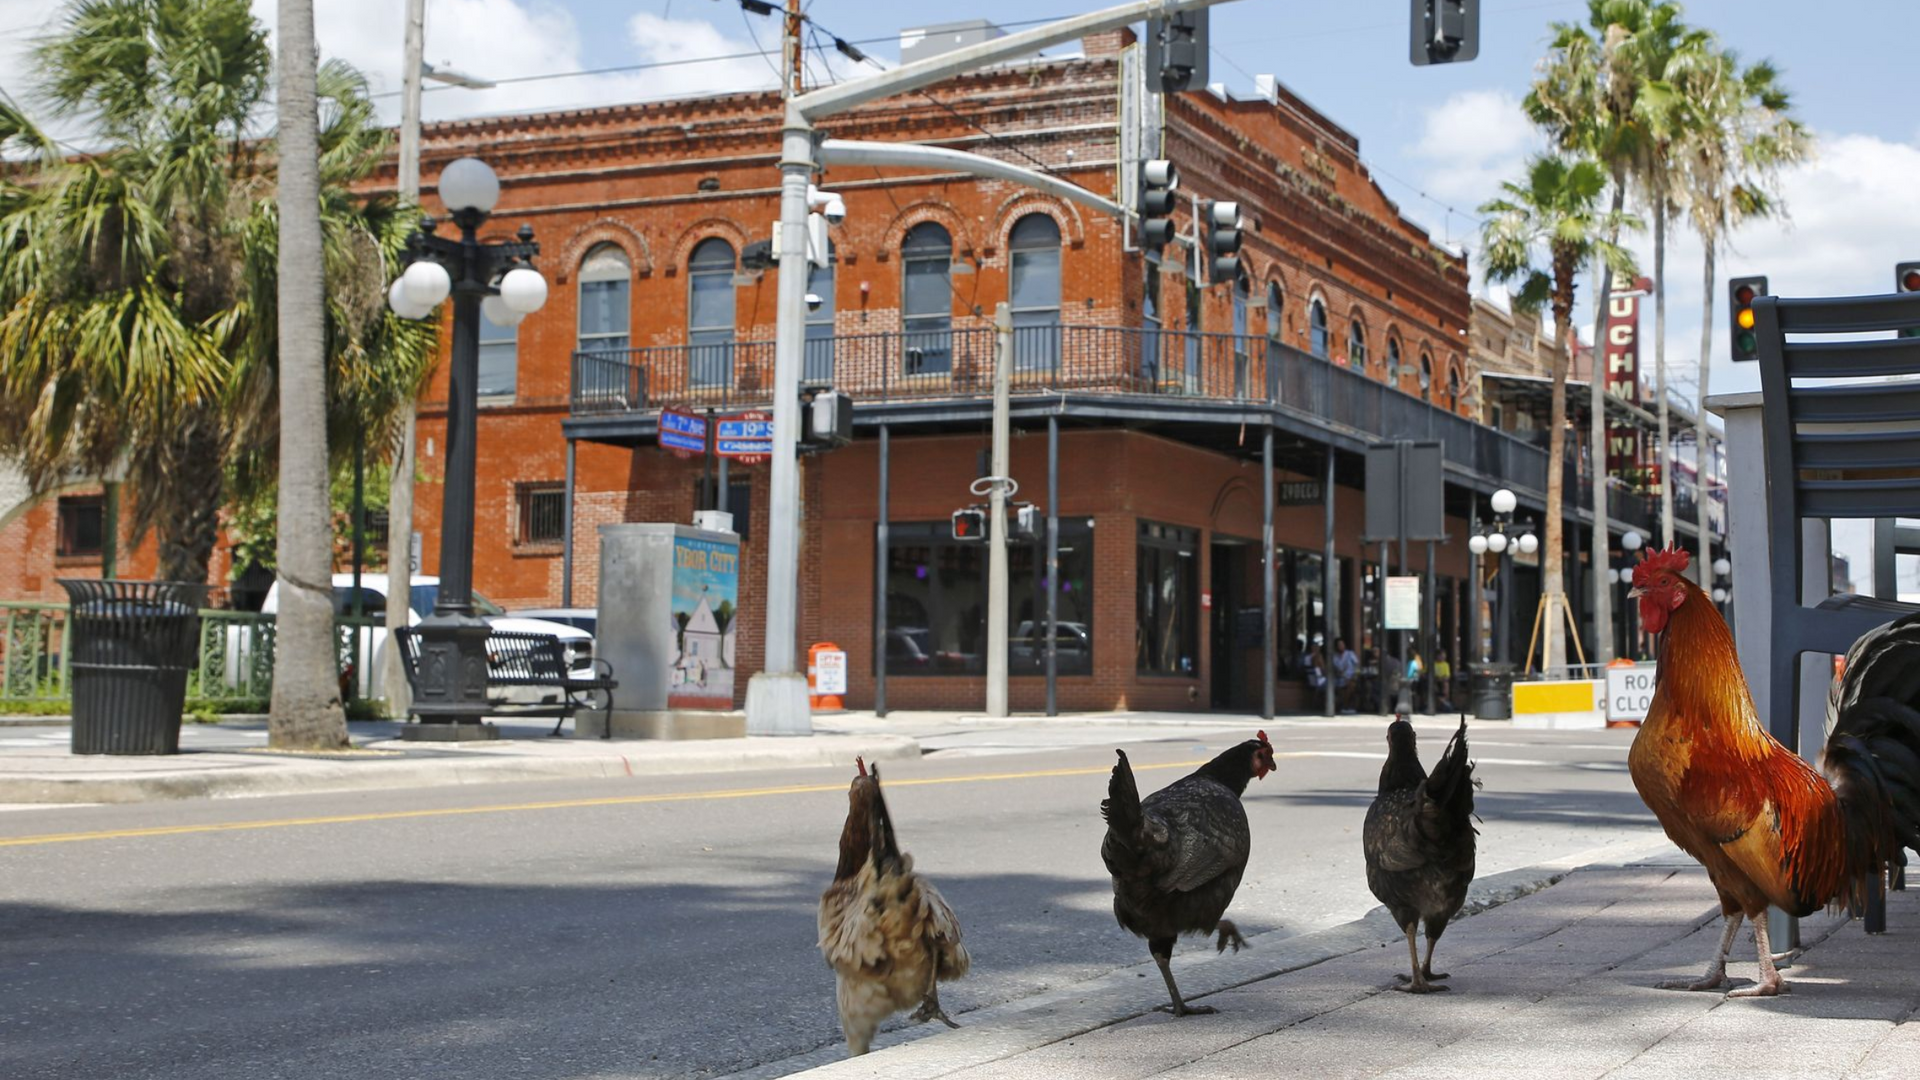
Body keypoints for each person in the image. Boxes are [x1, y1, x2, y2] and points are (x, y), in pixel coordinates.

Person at [1332, 637, 1359, 713]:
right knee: (1346, 686)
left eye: (1342, 644)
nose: (1341, 646)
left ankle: (1347, 706)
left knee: (1351, 685)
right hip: (1340, 678)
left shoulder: (1350, 654)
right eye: (1339, 645)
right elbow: (1336, 670)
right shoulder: (1335, 657)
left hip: (1351, 677)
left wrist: (1354, 675)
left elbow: (1357, 665)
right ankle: (1345, 706)